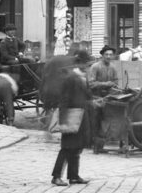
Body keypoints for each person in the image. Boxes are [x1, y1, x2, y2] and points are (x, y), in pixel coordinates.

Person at [51, 50, 92, 187]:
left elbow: (87, 96)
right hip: (71, 117)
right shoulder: (70, 78)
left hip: (81, 116)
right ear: (79, 63)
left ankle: (73, 176)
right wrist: (63, 120)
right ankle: (56, 176)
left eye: (88, 64)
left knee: (77, 147)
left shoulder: (83, 77)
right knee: (67, 148)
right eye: (85, 63)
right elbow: (64, 99)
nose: (87, 66)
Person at [87, 45, 119, 152]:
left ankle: (102, 143)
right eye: (106, 54)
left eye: (111, 54)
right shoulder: (95, 67)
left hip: (108, 98)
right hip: (95, 97)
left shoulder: (113, 67)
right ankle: (95, 145)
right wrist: (106, 84)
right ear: (102, 55)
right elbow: (91, 84)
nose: (109, 57)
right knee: (96, 119)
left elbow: (116, 82)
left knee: (107, 120)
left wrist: (113, 88)